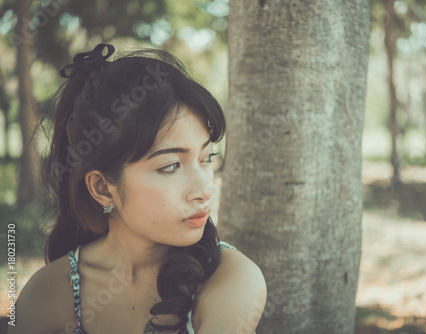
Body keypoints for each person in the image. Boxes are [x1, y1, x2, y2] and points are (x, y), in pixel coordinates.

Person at [8, 44, 266, 334]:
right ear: (103, 188)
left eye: (206, 158)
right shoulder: (48, 294)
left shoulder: (230, 276)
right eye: (170, 166)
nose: (205, 189)